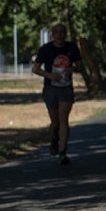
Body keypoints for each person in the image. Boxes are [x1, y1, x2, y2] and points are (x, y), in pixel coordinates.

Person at [32, 23, 82, 165]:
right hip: (50, 89)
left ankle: (62, 152)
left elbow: (80, 66)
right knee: (55, 122)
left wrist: (71, 69)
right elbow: (35, 69)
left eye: (62, 32)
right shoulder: (46, 49)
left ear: (65, 34)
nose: (59, 35)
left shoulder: (71, 47)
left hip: (66, 88)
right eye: (56, 32)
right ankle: (54, 139)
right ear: (52, 35)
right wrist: (49, 75)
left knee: (64, 119)